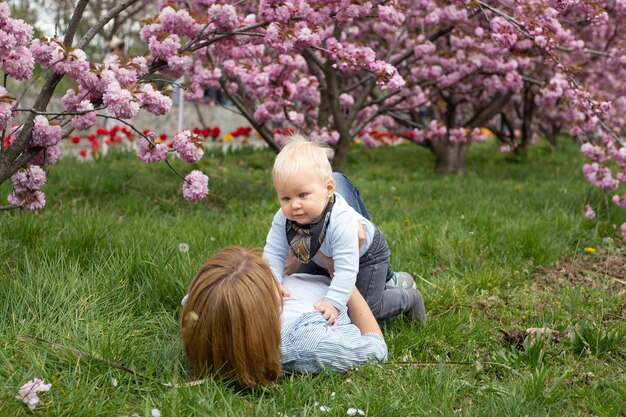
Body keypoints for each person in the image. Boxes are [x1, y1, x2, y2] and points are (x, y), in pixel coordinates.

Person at [263, 135, 426, 323]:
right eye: (286, 198)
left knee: (367, 309)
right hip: (320, 251)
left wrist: (333, 302)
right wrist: (273, 282)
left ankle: (409, 297)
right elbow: (273, 252)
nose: (294, 205)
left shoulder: (341, 221)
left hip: (366, 255)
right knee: (308, 284)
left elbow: (346, 269)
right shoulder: (284, 217)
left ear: (329, 188)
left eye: (302, 195)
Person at [180, 246, 387, 388]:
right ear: (263, 308)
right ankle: (397, 287)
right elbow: (377, 349)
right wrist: (341, 276)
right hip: (341, 286)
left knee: (318, 198)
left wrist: (296, 254)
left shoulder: (209, 307)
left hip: (309, 273)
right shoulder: (308, 342)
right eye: (272, 283)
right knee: (334, 188)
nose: (280, 286)